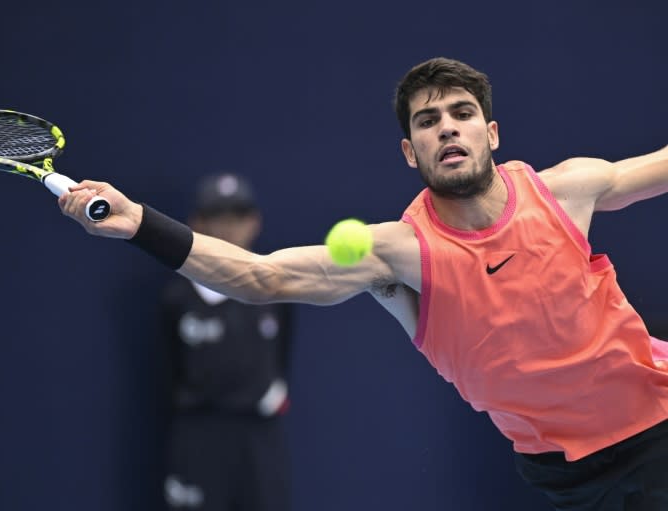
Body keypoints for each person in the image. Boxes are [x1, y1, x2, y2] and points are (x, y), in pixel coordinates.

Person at [58, 57, 668, 510]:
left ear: (492, 132)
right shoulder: (397, 252)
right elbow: (259, 275)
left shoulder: (568, 188)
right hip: (574, 476)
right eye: (428, 122)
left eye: (462, 114)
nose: (448, 129)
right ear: (410, 151)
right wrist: (141, 224)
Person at [159, 173, 294, 511]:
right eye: (218, 217)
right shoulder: (176, 298)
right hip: (198, 436)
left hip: (259, 438)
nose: (229, 228)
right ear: (196, 223)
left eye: (238, 217)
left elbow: (282, 354)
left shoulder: (275, 292)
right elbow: (165, 370)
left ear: (254, 222)